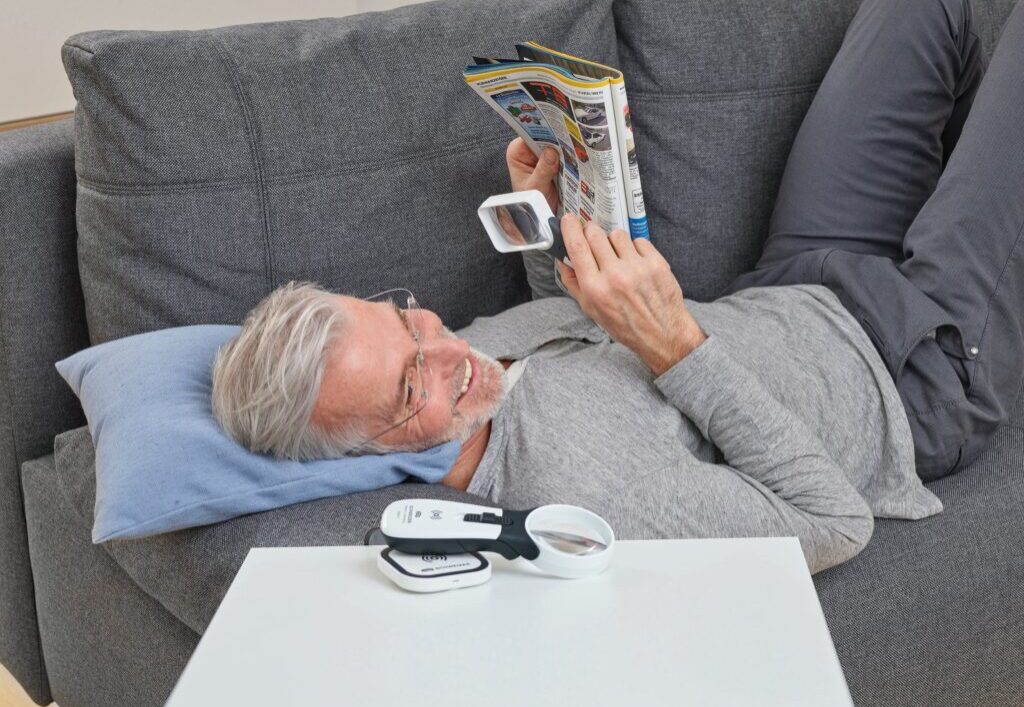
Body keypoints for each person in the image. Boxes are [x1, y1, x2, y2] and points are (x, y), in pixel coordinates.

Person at [211, 0, 1024, 573]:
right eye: (408, 382)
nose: (447, 350)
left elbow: (573, 344)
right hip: (916, 371)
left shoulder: (463, 368)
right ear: (367, 455)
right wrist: (674, 343)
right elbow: (834, 523)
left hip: (799, 276)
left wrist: (551, 212)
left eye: (407, 322)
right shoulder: (585, 498)